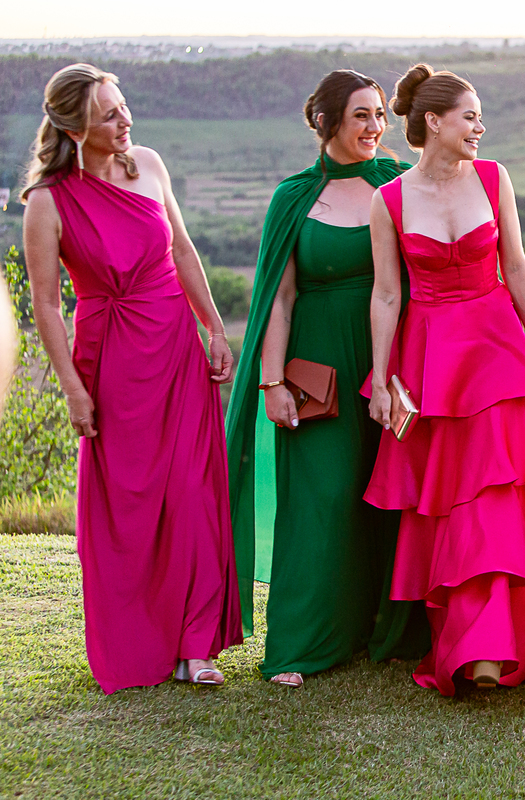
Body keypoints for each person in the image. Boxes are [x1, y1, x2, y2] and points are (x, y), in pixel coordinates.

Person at [21, 64, 241, 692]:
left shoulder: (148, 163)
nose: (126, 121)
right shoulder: (47, 201)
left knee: (193, 489)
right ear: (73, 126)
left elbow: (181, 249)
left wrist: (215, 327)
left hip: (174, 341)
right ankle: (145, 640)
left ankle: (197, 645)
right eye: (110, 114)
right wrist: (72, 388)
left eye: (125, 108)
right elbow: (45, 305)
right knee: (132, 503)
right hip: (109, 358)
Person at [364, 65, 525, 695]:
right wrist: (381, 382)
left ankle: (498, 646)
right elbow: (385, 295)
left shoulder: (494, 177)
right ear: (433, 122)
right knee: (448, 500)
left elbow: (515, 264)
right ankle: (467, 643)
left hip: (496, 353)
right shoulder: (391, 201)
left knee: (497, 493)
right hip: (430, 360)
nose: (480, 128)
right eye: (469, 117)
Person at [225, 70, 430, 688]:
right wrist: (271, 383)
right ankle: (304, 643)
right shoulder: (293, 197)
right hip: (316, 366)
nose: (375, 127)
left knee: (390, 490)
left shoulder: (396, 183)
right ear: (328, 123)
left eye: (378, 115)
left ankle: (393, 632)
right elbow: (278, 299)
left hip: (388, 356)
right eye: (361, 116)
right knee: (322, 496)